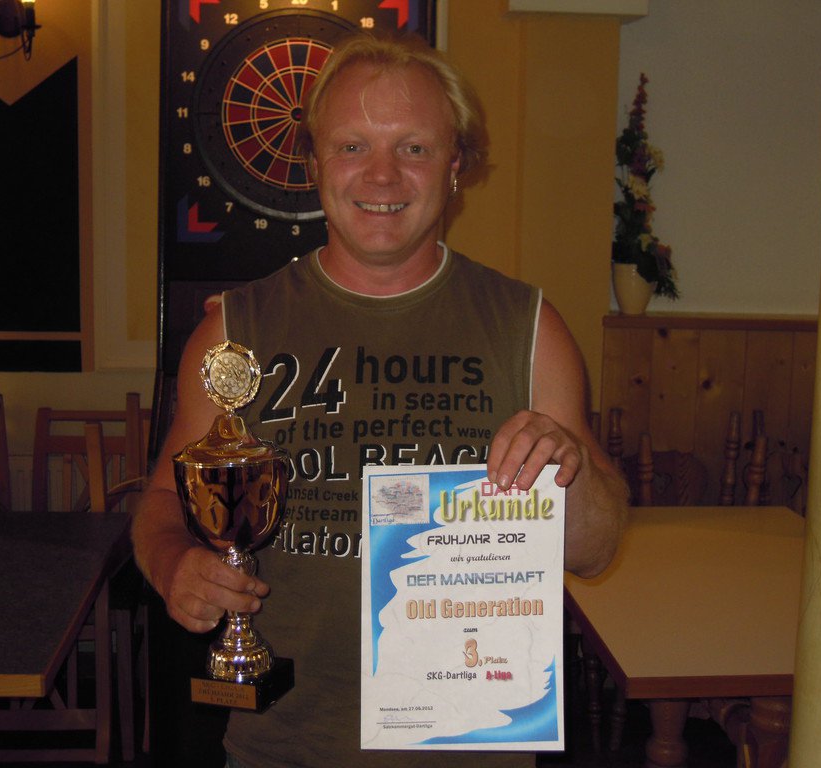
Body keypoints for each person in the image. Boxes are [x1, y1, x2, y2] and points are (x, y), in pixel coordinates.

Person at [133, 31, 628, 768]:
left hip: (474, 746)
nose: (383, 175)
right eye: (352, 146)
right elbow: (161, 504)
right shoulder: (234, 332)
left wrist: (568, 469)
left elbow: (595, 549)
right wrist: (175, 561)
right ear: (314, 163)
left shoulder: (528, 328)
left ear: (455, 167)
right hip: (286, 749)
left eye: (415, 148)